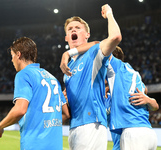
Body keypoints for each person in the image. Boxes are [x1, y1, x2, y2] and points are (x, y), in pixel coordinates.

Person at [62, 43, 159, 150]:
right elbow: (150, 98)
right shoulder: (122, 85)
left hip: (132, 133)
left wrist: (69, 53)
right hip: (137, 137)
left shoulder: (117, 71)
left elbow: (99, 44)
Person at [60, 4, 122, 150]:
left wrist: (109, 14)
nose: (73, 29)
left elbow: (115, 37)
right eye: (70, 29)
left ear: (87, 35)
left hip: (91, 124)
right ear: (66, 38)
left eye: (78, 28)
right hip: (74, 127)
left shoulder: (94, 54)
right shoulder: (68, 67)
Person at [0, 37, 70, 150]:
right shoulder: (52, 78)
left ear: (18, 54)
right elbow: (66, 114)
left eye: (12, 56)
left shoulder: (23, 75)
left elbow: (20, 109)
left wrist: (0, 126)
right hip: (55, 145)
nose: (11, 60)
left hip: (34, 144)